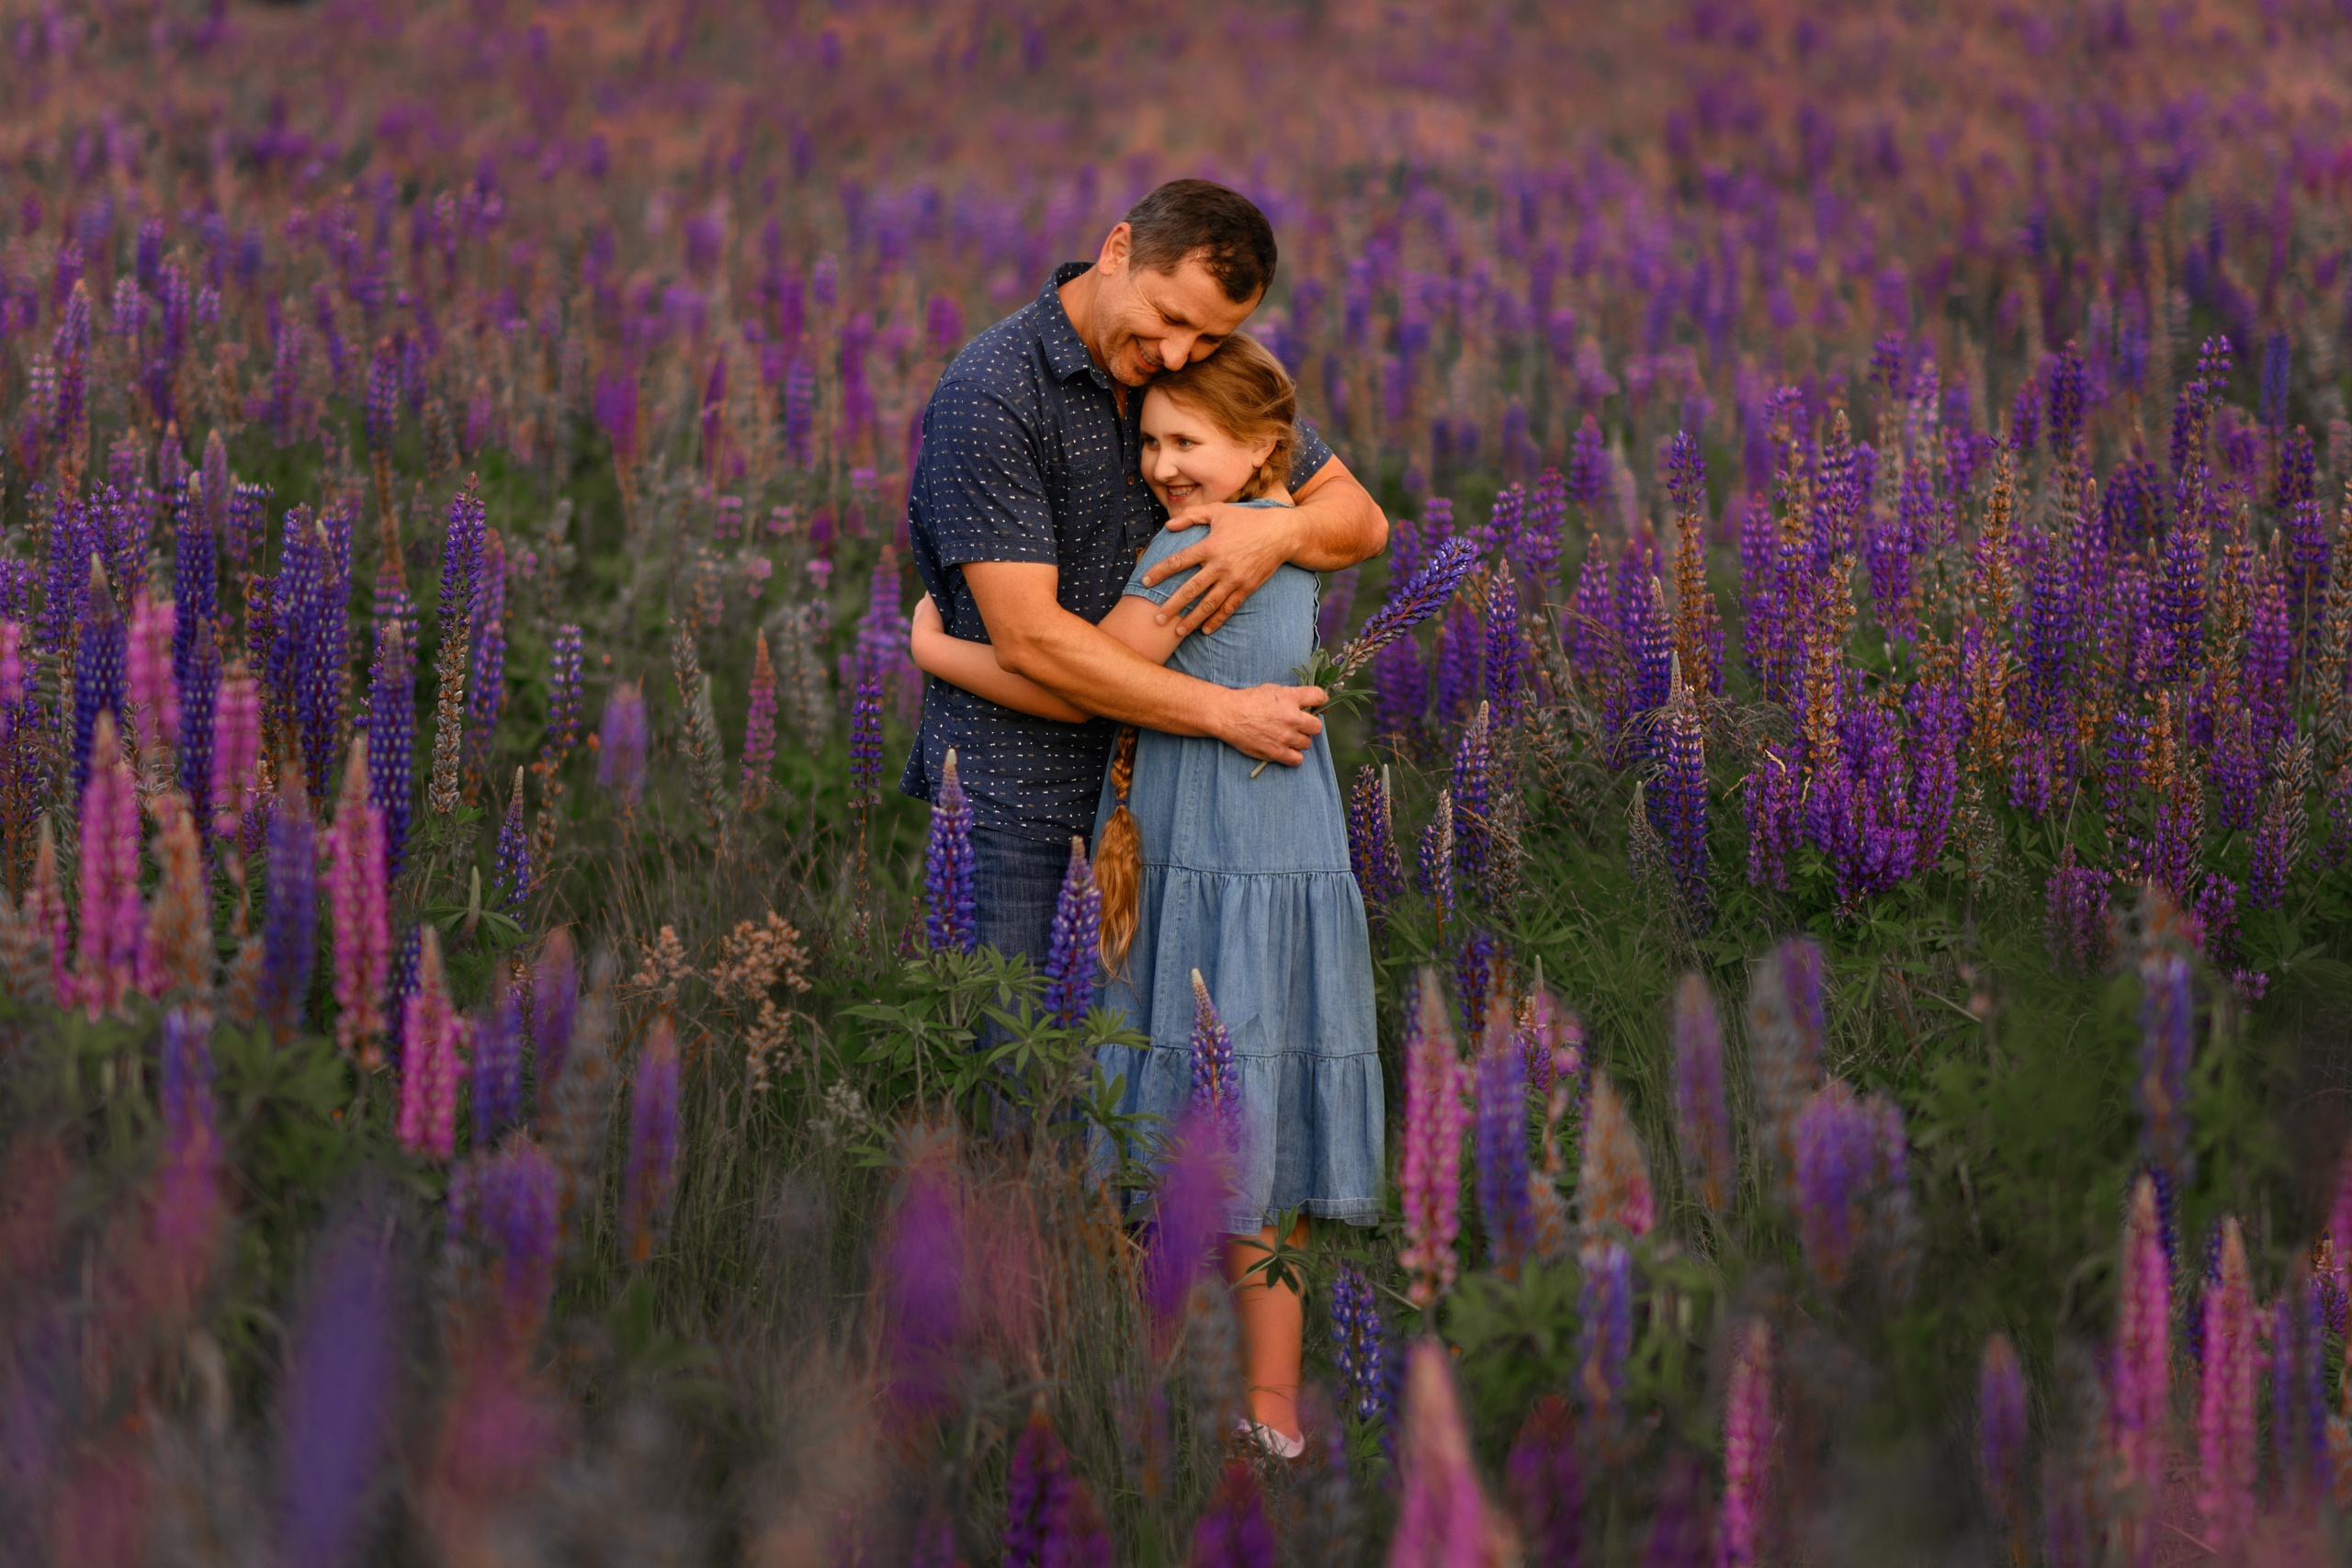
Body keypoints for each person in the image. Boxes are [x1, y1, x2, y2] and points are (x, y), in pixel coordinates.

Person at [910, 338, 1380, 1461]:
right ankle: (1271, 1408)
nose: (1164, 466)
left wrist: (934, 649)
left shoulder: (1187, 549)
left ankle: (1154, 1382)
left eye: (1187, 443)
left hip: (1205, 856)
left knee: (1168, 1120)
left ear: (1263, 445)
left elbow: (1068, 685)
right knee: (1264, 1116)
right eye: (1152, 443)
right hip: (1284, 853)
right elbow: (1359, 520)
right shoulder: (1285, 537)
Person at [899, 177, 1388, 967]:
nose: (1177, 354)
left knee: (1143, 1080)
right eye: (1169, 318)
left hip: (1164, 802)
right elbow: (1033, 643)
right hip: (1023, 809)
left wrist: (1277, 531)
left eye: (1207, 336)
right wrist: (1227, 714)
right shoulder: (992, 394)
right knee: (1032, 1077)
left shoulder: (1189, 369)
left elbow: (1361, 519)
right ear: (1117, 249)